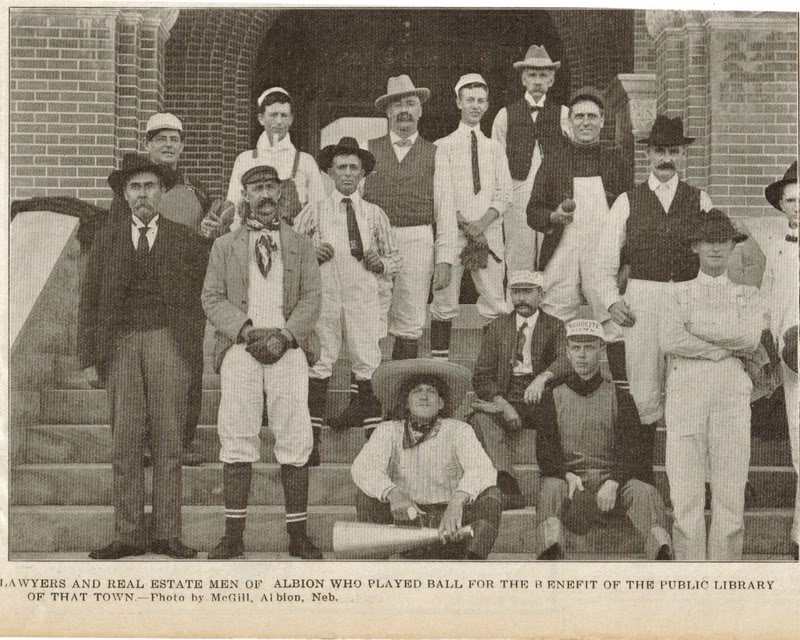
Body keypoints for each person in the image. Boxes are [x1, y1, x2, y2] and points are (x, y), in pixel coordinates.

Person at [79, 154, 204, 559]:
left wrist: (190, 351)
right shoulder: (107, 238)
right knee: (126, 441)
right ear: (125, 195)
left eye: (150, 186)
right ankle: (129, 534)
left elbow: (201, 299)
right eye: (135, 187)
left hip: (168, 342)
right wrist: (93, 356)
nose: (143, 194)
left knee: (169, 441)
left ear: (163, 192)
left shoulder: (184, 238)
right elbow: (90, 300)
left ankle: (167, 533)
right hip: (121, 344)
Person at [202, 164, 323, 560]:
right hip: (242, 347)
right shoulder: (225, 246)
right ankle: (233, 537)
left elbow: (310, 299)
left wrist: (286, 336)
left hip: (287, 348)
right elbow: (212, 298)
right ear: (245, 195)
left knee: (294, 434)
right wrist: (247, 330)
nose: (266, 195)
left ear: (283, 195)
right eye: (257, 189)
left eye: (272, 187)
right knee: (237, 433)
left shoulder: (302, 245)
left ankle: (298, 537)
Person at [595, 115, 714, 479]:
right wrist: (612, 301)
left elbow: (714, 257)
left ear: (683, 155)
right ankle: (639, 479)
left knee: (687, 392)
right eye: (660, 150)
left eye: (674, 151)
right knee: (642, 393)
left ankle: (694, 479)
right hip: (642, 302)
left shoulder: (700, 199)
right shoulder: (628, 201)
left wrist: (704, 304)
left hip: (684, 303)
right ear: (648, 154)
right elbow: (602, 260)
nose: (667, 158)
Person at [660, 209, 762, 561]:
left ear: (733, 247)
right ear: (695, 247)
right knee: (685, 491)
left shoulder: (748, 295)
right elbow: (670, 339)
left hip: (732, 391)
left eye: (723, 242)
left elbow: (749, 339)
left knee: (730, 490)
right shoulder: (677, 293)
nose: (716, 249)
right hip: (686, 387)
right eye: (708, 242)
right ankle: (691, 571)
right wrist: (720, 349)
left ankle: (725, 572)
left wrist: (697, 330)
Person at [294, 137, 401, 459]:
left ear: (363, 174)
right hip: (325, 293)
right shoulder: (313, 212)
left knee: (367, 361)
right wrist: (310, 254)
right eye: (341, 167)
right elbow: (291, 252)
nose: (347, 174)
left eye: (354, 168)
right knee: (321, 360)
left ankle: (374, 444)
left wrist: (380, 263)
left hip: (362, 293)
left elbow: (395, 257)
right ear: (329, 171)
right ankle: (311, 441)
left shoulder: (374, 214)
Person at [534, 319, 672, 561]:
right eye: (576, 348)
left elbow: (633, 450)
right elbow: (545, 451)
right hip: (572, 483)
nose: (582, 355)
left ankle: (661, 554)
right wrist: (566, 475)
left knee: (644, 491)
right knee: (550, 487)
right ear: (567, 352)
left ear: (602, 350)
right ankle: (550, 553)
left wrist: (615, 481)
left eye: (589, 347)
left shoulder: (620, 397)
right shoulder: (552, 396)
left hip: (612, 484)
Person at [142, 112, 234, 466]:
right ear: (148, 144)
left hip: (187, 295)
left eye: (174, 139)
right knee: (148, 369)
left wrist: (209, 235)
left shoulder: (195, 191)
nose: (168, 144)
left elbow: (207, 244)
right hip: (145, 295)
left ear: (182, 146)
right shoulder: (136, 187)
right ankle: (148, 441)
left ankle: (183, 440)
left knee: (188, 367)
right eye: (161, 138)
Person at [527, 87, 631, 383]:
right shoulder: (553, 161)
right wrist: (553, 216)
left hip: (604, 254)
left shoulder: (616, 161)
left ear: (602, 121)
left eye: (592, 117)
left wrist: (627, 262)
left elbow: (632, 218)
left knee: (613, 322)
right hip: (563, 250)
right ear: (569, 122)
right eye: (579, 117)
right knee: (555, 320)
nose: (585, 122)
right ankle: (556, 390)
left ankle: (622, 396)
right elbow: (532, 211)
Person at [350, 359, 502, 559]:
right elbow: (363, 468)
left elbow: (482, 469)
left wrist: (457, 501)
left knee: (492, 494)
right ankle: (378, 566)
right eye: (416, 391)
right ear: (406, 402)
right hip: (406, 519)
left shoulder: (458, 429)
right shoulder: (388, 430)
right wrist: (393, 493)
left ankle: (470, 563)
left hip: (450, 522)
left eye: (431, 391)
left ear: (440, 403)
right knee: (366, 494)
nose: (424, 396)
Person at [363, 74, 458, 360]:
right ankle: (367, 394)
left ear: (420, 110)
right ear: (387, 111)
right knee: (370, 314)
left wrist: (444, 259)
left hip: (417, 239)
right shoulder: (367, 149)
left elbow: (445, 209)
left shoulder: (436, 154)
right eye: (397, 104)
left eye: (410, 103)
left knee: (410, 318)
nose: (404, 109)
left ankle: (401, 394)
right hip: (375, 242)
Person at [470, 270, 571, 509]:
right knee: (480, 419)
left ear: (541, 295)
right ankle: (507, 484)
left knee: (558, 412)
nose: (520, 299)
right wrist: (502, 404)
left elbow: (566, 362)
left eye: (527, 292)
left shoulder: (555, 326)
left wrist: (542, 378)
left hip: (541, 398)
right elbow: (481, 376)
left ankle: (554, 480)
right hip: (506, 396)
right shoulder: (497, 327)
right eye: (516, 292)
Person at [429, 73, 512, 360]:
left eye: (480, 101)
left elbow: (505, 194)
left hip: (486, 234)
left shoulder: (495, 149)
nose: (475, 106)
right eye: (469, 100)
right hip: (453, 233)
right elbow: (440, 191)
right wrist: (462, 222)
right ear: (458, 103)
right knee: (444, 299)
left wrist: (482, 224)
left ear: (487, 105)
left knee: (494, 300)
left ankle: (492, 369)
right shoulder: (442, 146)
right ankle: (440, 368)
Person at [491, 44, 570, 273]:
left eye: (543, 75)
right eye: (532, 75)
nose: (538, 80)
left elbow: (570, 157)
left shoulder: (564, 114)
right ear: (523, 80)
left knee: (553, 253)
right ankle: (518, 305)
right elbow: (496, 161)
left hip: (552, 194)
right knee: (518, 253)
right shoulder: (505, 115)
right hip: (518, 191)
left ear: (551, 80)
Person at [755, 161, 798, 560]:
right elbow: (768, 303)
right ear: (782, 206)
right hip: (792, 360)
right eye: (791, 200)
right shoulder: (777, 248)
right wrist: (770, 341)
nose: (797, 206)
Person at [226, 87, 325, 225]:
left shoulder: (305, 161)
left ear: (291, 119)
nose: (279, 121)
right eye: (273, 115)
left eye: (284, 115)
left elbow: (319, 211)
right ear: (261, 119)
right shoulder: (245, 159)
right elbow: (235, 209)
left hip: (292, 241)